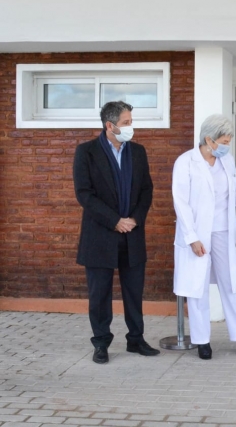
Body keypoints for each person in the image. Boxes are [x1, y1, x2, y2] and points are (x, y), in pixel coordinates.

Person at [172, 114, 236, 360]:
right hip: (197, 234)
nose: (227, 145)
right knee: (198, 288)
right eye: (224, 140)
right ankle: (202, 340)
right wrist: (192, 237)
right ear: (209, 139)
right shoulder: (186, 162)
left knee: (232, 284)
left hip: (223, 231)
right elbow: (180, 203)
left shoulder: (226, 161)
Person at [73, 101, 159, 364]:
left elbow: (146, 190)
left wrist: (135, 219)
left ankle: (136, 339)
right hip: (100, 235)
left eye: (131, 122)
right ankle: (101, 343)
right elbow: (84, 194)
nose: (131, 127)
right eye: (126, 123)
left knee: (134, 291)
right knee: (100, 294)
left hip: (132, 234)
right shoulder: (86, 152)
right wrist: (115, 221)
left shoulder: (138, 152)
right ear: (110, 126)